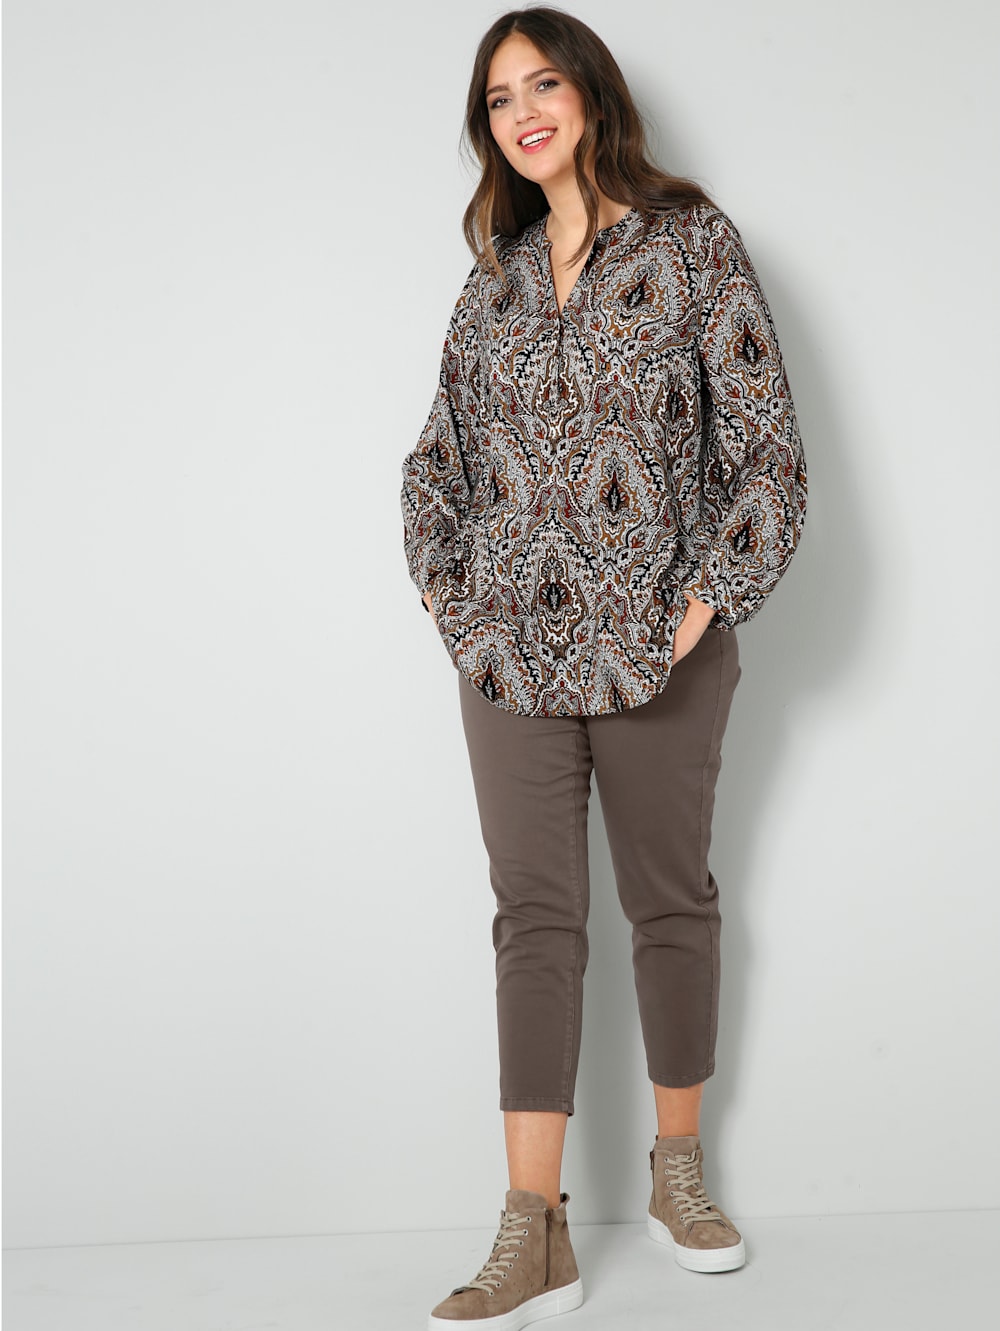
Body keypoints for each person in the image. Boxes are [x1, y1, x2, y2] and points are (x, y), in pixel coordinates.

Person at [400, 6, 807, 1326]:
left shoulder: (693, 246)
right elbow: (435, 468)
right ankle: (534, 1230)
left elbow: (768, 451)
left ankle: (680, 1175)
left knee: (670, 903)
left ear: (589, 93)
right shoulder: (494, 280)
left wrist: (705, 602)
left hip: (659, 658)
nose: (523, 112)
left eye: (542, 84)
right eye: (498, 97)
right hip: (510, 664)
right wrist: (462, 613)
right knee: (533, 921)